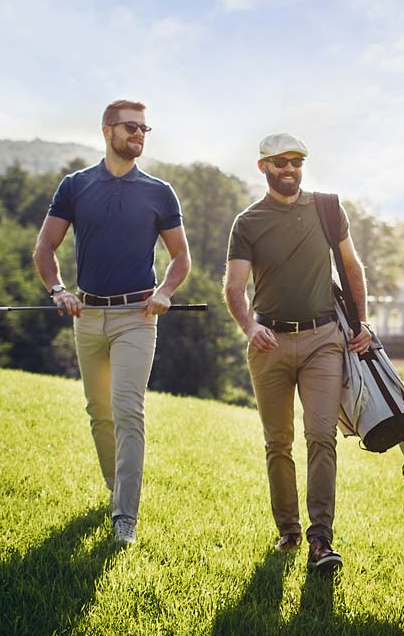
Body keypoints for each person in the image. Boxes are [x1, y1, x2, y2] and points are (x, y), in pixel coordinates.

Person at [34, 99, 191, 545]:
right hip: (87, 314)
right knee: (98, 413)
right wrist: (58, 290)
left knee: (127, 411)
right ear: (107, 131)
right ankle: (114, 490)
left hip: (137, 317)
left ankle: (126, 516)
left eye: (144, 128)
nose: (139, 135)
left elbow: (181, 258)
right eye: (130, 127)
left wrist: (163, 293)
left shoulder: (160, 192)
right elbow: (45, 248)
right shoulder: (76, 186)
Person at [223, 133, 374, 572]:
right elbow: (234, 286)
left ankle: (321, 540)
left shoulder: (327, 208)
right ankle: (287, 530)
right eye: (280, 162)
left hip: (323, 340)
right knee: (278, 443)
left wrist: (360, 322)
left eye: (296, 162)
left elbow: (351, 266)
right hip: (268, 342)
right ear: (263, 166)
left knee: (322, 436)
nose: (289, 169)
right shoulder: (248, 222)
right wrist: (249, 327)